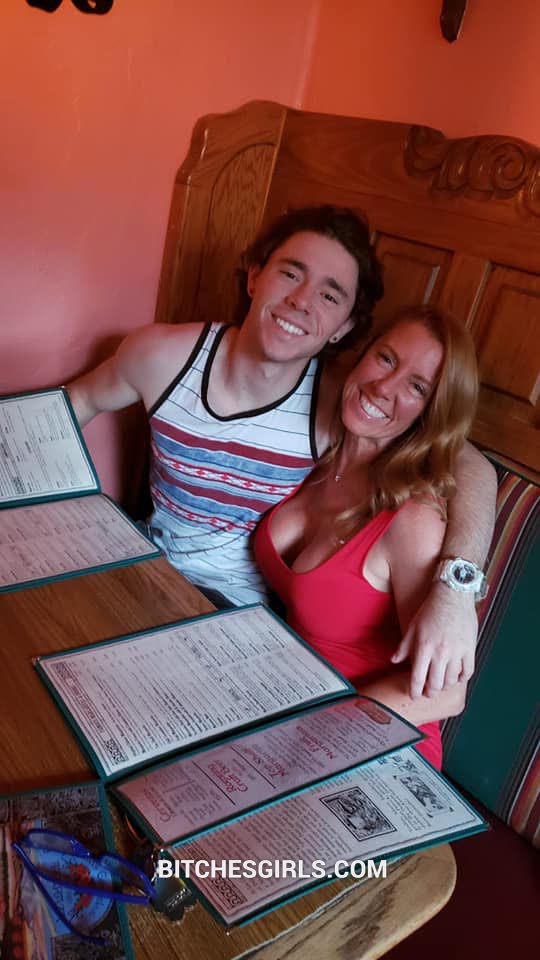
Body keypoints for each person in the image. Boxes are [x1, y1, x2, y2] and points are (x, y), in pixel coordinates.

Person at [67, 206, 496, 700]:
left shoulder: (340, 402)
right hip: (140, 569)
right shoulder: (162, 357)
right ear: (254, 276)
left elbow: (468, 461)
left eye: (329, 295)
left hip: (237, 623)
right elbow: (69, 407)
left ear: (344, 326)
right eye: (291, 273)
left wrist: (456, 590)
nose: (300, 301)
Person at [254, 305, 480, 768]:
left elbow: (447, 695)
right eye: (386, 359)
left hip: (378, 746)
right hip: (292, 709)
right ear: (363, 354)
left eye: (416, 387)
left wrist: (312, 731)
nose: (383, 387)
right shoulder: (318, 455)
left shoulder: (412, 519)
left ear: (431, 413)